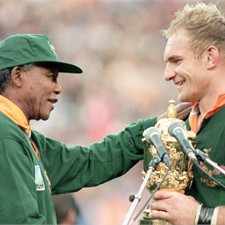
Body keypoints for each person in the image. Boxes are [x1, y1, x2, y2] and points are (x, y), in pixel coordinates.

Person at [148, 2, 225, 225]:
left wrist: (203, 216)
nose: (167, 74)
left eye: (176, 61)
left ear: (210, 57)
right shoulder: (180, 123)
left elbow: (194, 215)